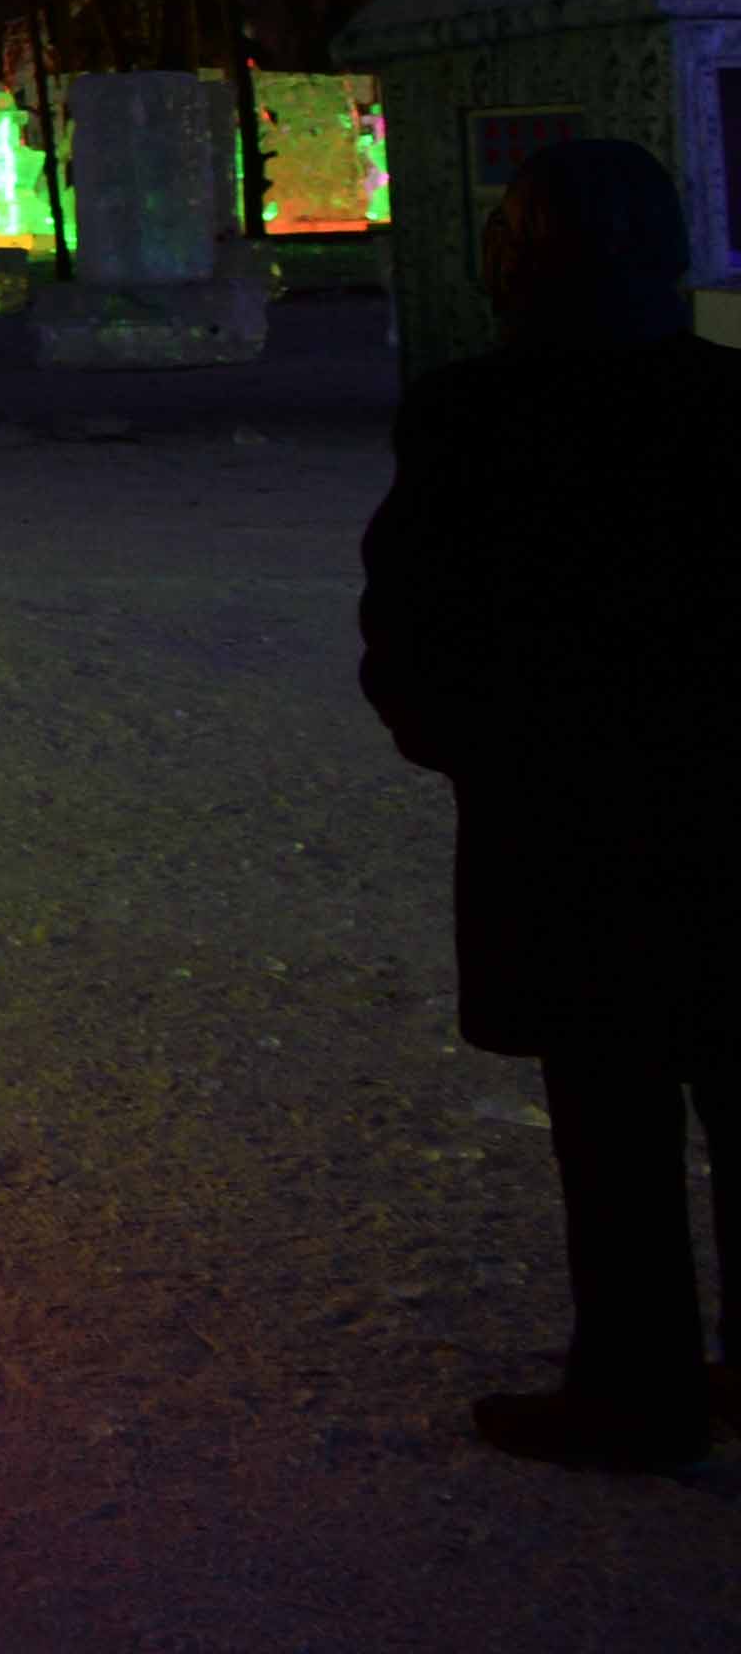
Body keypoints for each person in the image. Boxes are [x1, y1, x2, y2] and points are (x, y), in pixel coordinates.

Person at [359, 134, 741, 1473]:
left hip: (569, 829)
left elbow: (414, 625)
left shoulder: (476, 415)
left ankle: (635, 1387)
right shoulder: (728, 404)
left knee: (614, 1123)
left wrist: (472, 744)